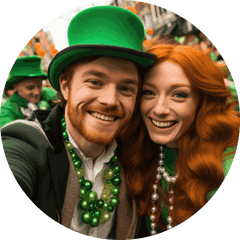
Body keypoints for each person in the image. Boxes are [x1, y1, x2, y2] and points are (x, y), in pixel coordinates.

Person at [1, 6, 156, 239]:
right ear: (65, 86)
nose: (110, 100)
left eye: (126, 88)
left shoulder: (138, 156)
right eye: (94, 82)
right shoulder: (25, 143)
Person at [120, 43, 240, 236]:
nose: (159, 109)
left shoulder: (226, 165)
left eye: (179, 95)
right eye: (148, 92)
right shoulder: (135, 149)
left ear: (202, 101)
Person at [0, 56, 58, 128]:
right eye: (30, 88)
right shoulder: (7, 109)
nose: (37, 92)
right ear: (15, 86)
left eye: (40, 86)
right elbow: (7, 131)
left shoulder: (50, 94)